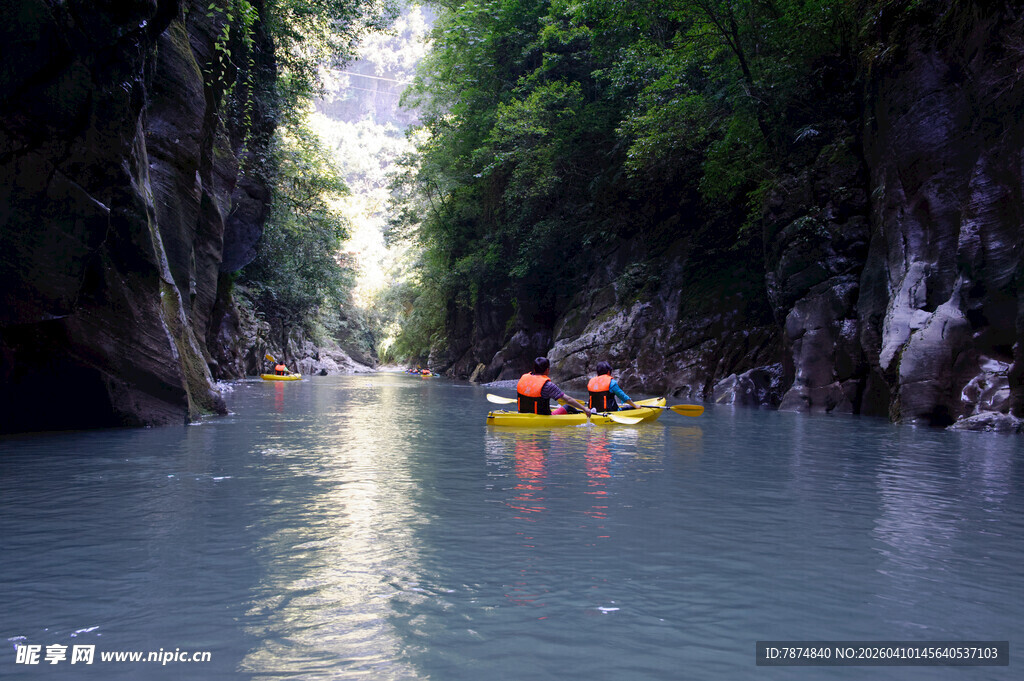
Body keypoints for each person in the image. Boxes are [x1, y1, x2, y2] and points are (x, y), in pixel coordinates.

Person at [517, 357, 594, 416]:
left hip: (522, 414)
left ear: (534, 369)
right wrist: (584, 409)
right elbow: (568, 400)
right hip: (542, 417)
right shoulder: (548, 385)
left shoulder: (523, 379)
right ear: (547, 370)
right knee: (568, 407)